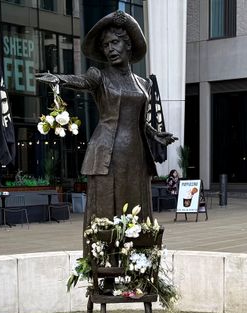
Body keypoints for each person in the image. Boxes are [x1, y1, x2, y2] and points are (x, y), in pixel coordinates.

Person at [36, 11, 176, 230]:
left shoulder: (143, 84)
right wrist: (60, 79)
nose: (110, 49)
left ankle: (139, 256)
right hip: (108, 153)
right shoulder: (99, 76)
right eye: (105, 45)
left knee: (137, 208)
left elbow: (137, 119)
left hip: (136, 155)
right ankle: (103, 258)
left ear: (128, 45)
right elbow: (81, 81)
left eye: (115, 42)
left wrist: (154, 133)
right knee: (106, 210)